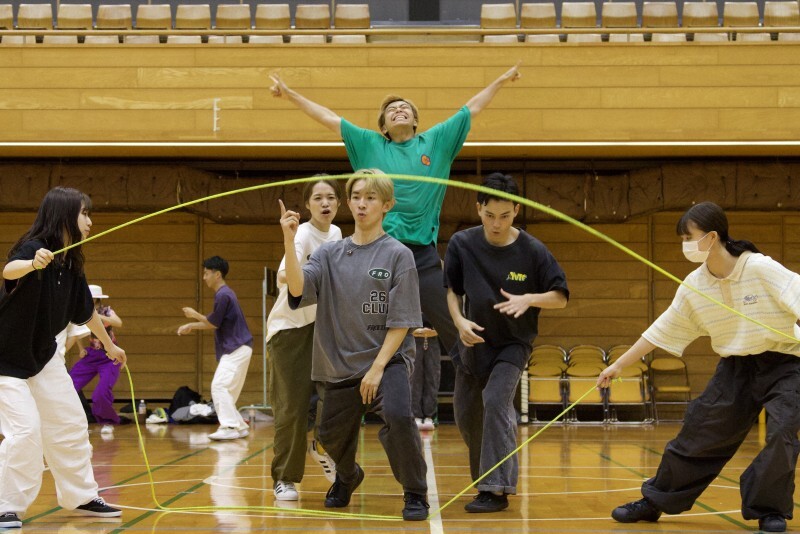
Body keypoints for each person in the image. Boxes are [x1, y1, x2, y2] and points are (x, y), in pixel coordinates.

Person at [269, 64, 521, 358]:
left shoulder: (436, 141)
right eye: (391, 110)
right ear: (384, 127)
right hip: (379, 253)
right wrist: (289, 95)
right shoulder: (368, 144)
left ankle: (478, 381)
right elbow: (328, 117)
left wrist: (501, 81)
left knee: (456, 328)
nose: (399, 110)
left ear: (415, 121)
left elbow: (471, 108)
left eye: (405, 108)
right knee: (369, 330)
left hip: (422, 257)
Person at [598, 201, 800, 533]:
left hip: (785, 364)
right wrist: (618, 365)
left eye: (688, 237)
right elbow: (661, 329)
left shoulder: (761, 268)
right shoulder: (695, 285)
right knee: (699, 432)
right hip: (736, 368)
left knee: (783, 432)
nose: (685, 246)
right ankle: (655, 500)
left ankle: (769, 508)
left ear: (711, 237)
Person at [278, 169, 429, 521]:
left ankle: (415, 492)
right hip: (338, 364)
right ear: (349, 202)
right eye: (357, 197)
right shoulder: (329, 254)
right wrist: (288, 241)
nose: (362, 204)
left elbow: (403, 321)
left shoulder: (398, 255)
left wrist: (377, 370)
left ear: (386, 205)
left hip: (385, 362)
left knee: (398, 415)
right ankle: (348, 477)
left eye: (371, 198)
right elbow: (298, 289)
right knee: (327, 435)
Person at [0, 186, 126, 529]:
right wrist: (32, 262)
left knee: (70, 423)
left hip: (44, 359)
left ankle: (80, 496)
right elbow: (9, 271)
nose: (89, 222)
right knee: (25, 431)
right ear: (64, 214)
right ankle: (5, 505)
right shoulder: (33, 248)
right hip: (6, 363)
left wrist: (110, 346)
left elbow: (85, 313)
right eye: (84, 213)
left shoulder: (72, 263)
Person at [444, 173, 569, 513]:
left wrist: (530, 298)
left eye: (504, 216)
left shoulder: (533, 250)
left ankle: (496, 490)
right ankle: (486, 480)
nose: (496, 224)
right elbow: (452, 291)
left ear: (516, 210)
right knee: (467, 416)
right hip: (473, 342)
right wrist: (458, 321)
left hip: (513, 344)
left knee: (496, 400)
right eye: (488, 215)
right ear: (479, 208)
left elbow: (560, 297)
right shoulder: (462, 244)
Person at [266, 176, 342, 501]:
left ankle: (322, 445)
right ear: (308, 204)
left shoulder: (338, 235)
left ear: (339, 203)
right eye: (318, 198)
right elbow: (284, 275)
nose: (325, 203)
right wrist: (288, 238)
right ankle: (285, 478)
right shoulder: (303, 236)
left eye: (330, 198)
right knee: (292, 408)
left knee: (339, 399)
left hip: (324, 329)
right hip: (290, 331)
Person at [177, 256, 253, 441]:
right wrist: (192, 326)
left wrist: (194, 316)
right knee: (227, 391)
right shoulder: (225, 294)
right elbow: (215, 323)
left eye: (206, 273)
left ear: (217, 274)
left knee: (218, 387)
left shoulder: (223, 295)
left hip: (236, 349)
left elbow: (212, 321)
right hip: (241, 348)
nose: (204, 277)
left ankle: (228, 426)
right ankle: (240, 425)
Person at [69, 284, 124, 435]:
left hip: (109, 356)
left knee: (101, 392)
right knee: (68, 385)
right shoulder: (80, 311)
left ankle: (107, 422)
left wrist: (96, 316)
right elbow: (75, 330)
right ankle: (73, 422)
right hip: (92, 355)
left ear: (96, 299)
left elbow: (118, 322)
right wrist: (80, 348)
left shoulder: (106, 310)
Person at [410, 318, 440, 431]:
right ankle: (415, 415)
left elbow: (445, 321)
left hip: (432, 338)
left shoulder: (436, 302)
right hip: (413, 338)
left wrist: (436, 331)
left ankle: (429, 415)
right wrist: (412, 331)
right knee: (415, 378)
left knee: (432, 377)